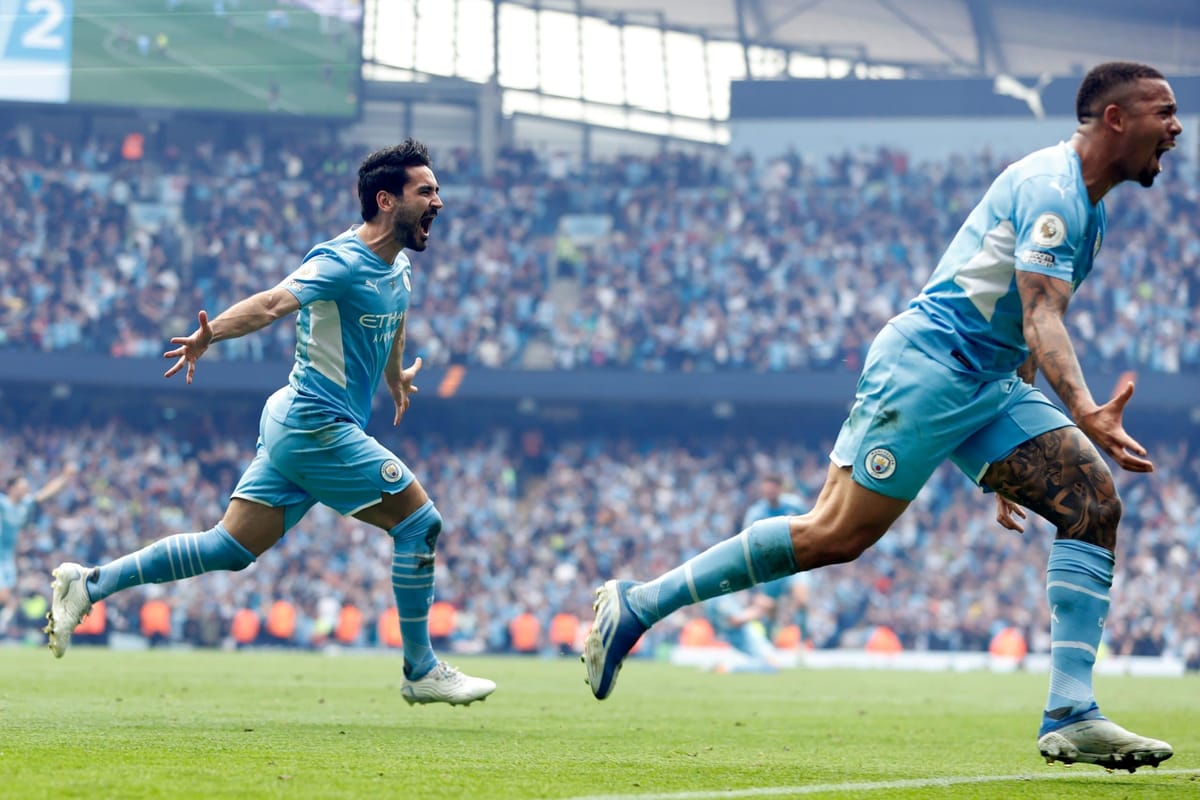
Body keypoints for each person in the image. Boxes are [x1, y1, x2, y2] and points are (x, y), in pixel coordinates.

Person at [584, 62, 1181, 772]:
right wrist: (1082, 410)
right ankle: (640, 603)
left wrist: (1018, 460)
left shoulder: (1090, 210)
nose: (1176, 129)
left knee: (1090, 502)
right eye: (1164, 112)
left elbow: (1023, 322)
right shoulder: (1052, 189)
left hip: (988, 382)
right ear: (1116, 118)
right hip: (929, 367)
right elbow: (1040, 312)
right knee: (835, 534)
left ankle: (1071, 712)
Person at [44, 139, 496, 706]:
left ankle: (89, 583)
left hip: (297, 421)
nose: (439, 201)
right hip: (315, 424)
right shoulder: (339, 262)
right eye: (426, 191)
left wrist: (395, 375)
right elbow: (271, 304)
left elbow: (393, 320)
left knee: (228, 547)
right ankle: (420, 669)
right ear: (386, 200)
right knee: (419, 523)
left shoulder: (399, 267)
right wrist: (211, 334)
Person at [0, 464, 76, 634]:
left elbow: (45, 493)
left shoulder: (25, 505)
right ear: (11, 488)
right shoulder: (2, 503)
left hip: (8, 558)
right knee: (5, 597)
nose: (25, 489)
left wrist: (64, 477)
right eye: (22, 486)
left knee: (9, 599)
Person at [740, 475, 809, 645]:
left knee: (801, 599)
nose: (770, 494)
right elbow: (746, 543)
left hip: (795, 562)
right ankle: (769, 642)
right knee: (770, 607)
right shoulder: (756, 513)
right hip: (772, 567)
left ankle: (803, 641)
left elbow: (810, 525)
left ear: (780, 489)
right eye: (767, 491)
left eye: (773, 490)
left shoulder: (795, 505)